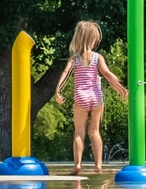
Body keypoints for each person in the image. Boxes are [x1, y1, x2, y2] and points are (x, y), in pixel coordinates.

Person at [53, 19, 127, 172]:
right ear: (91, 39)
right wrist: (120, 88)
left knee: (79, 132)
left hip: (81, 96)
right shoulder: (97, 57)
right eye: (95, 40)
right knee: (94, 131)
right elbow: (107, 74)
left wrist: (57, 91)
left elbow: (66, 73)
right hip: (96, 96)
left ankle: (78, 165)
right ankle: (98, 165)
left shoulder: (74, 59)